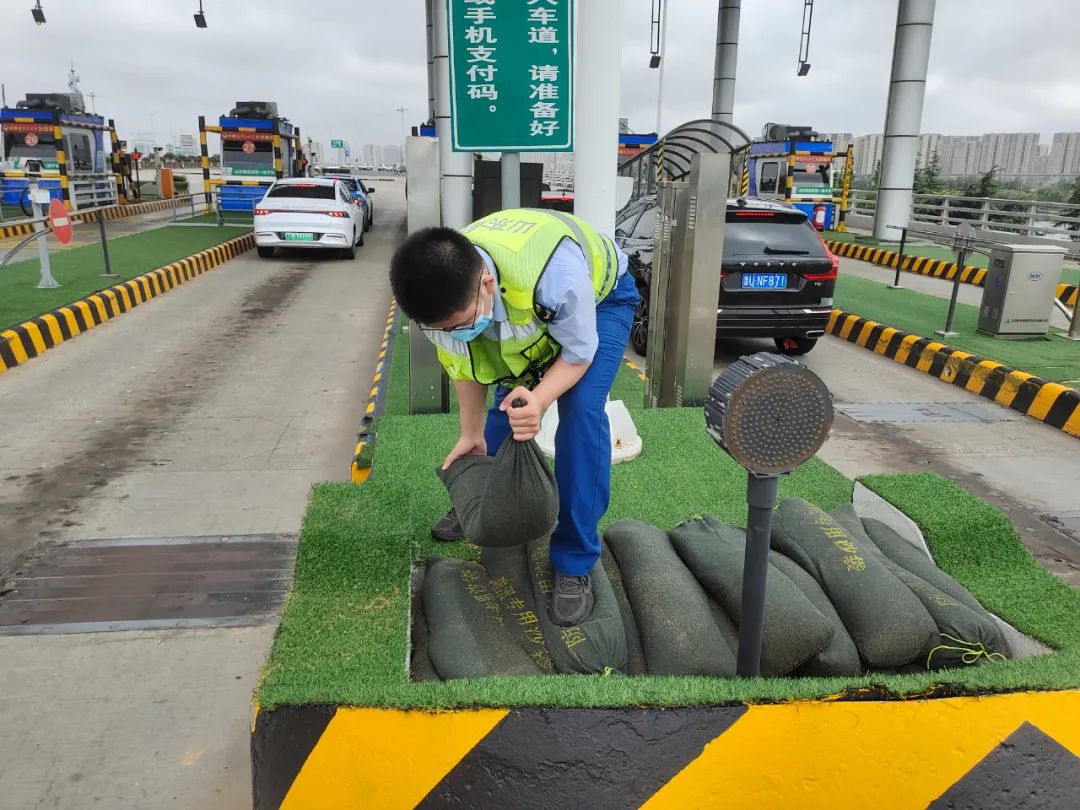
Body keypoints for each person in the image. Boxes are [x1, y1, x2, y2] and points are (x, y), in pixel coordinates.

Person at [389, 208, 638, 625]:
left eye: (460, 324)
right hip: (524, 309)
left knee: (579, 409)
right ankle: (487, 503)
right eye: (440, 329)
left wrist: (539, 400)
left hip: (603, 299)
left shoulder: (554, 277)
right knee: (507, 402)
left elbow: (578, 354)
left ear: (486, 284)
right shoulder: (443, 299)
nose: (451, 334)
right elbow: (466, 362)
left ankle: (575, 560)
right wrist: (472, 434)